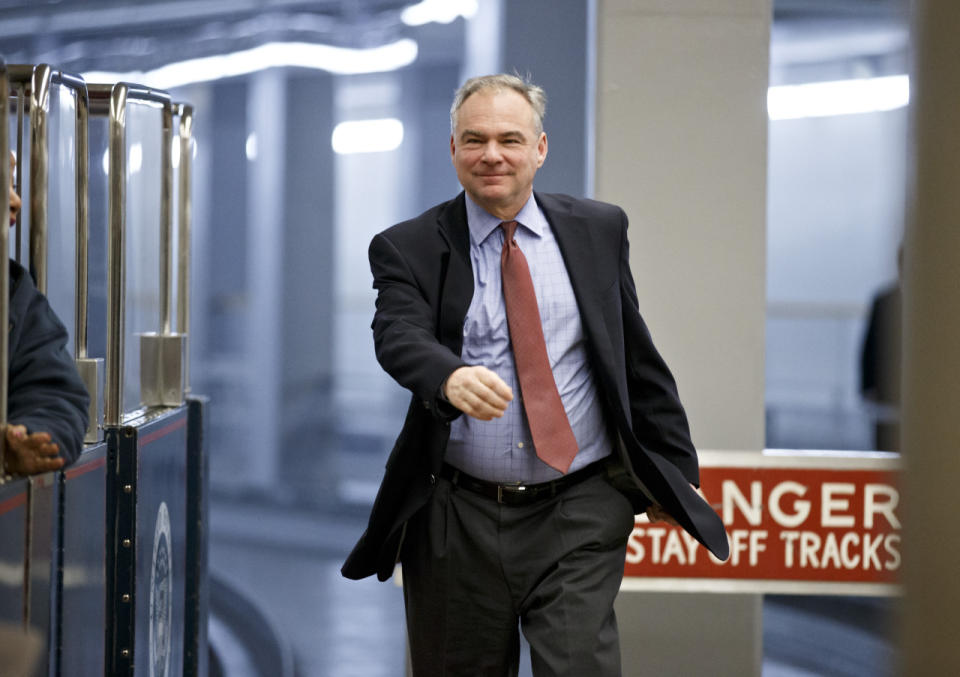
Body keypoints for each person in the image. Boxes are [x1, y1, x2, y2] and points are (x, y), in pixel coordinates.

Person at [341, 74, 728, 676]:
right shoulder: (408, 246)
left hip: (578, 508)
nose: (491, 154)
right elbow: (397, 333)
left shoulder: (598, 230)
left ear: (540, 149)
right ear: (452, 150)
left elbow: (636, 358)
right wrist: (446, 377)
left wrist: (675, 474)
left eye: (509, 139)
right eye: (474, 140)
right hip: (456, 520)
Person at [2, 150, 89, 477]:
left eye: (12, 184)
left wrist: (26, 438)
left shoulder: (14, 298)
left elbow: (56, 397)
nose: (16, 201)